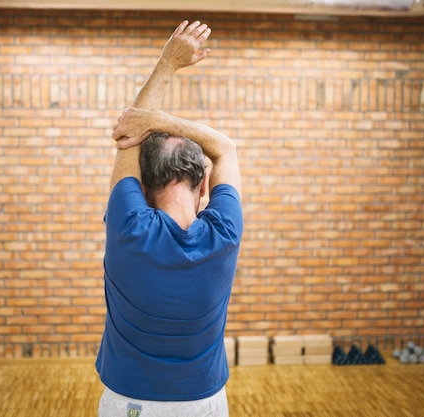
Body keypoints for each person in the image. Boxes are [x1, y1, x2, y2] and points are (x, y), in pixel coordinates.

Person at [96, 20, 243, 417]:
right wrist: (163, 122)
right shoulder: (225, 233)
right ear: (205, 187)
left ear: (140, 189)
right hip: (205, 402)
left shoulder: (128, 228)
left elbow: (131, 132)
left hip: (130, 403)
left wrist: (167, 63)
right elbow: (225, 148)